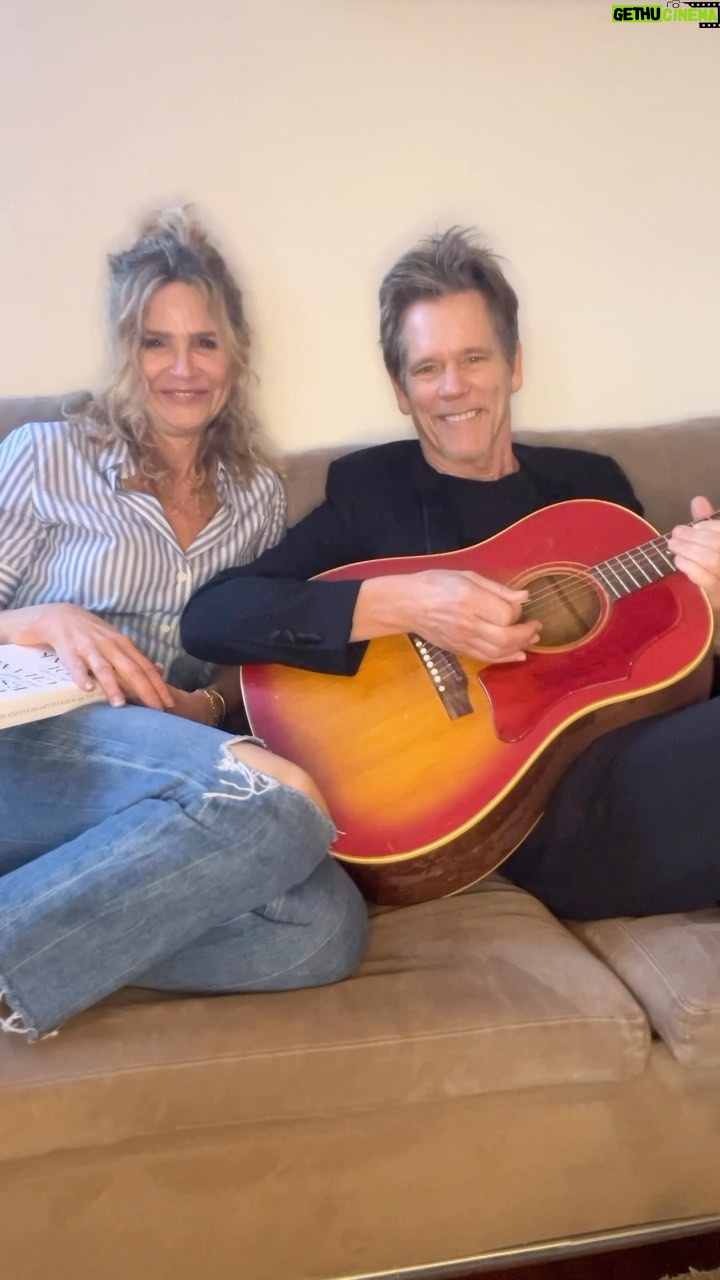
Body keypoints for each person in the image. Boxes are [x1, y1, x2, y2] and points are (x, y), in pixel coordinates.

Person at [181, 226, 720, 922]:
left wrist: (708, 602)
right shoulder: (371, 491)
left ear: (514, 364)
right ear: (400, 390)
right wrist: (407, 603)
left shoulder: (592, 490)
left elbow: (667, 671)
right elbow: (213, 617)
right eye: (427, 368)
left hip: (636, 762)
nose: (453, 387)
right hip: (531, 816)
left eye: (473, 357)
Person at [0, 207, 367, 1043]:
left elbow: (254, 652)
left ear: (235, 356)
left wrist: (202, 708)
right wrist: (45, 619)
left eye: (205, 342)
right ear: (125, 353)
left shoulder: (257, 495)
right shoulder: (43, 456)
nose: (182, 368)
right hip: (32, 753)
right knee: (274, 798)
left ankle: (46, 924)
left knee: (324, 928)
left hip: (170, 776)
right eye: (155, 342)